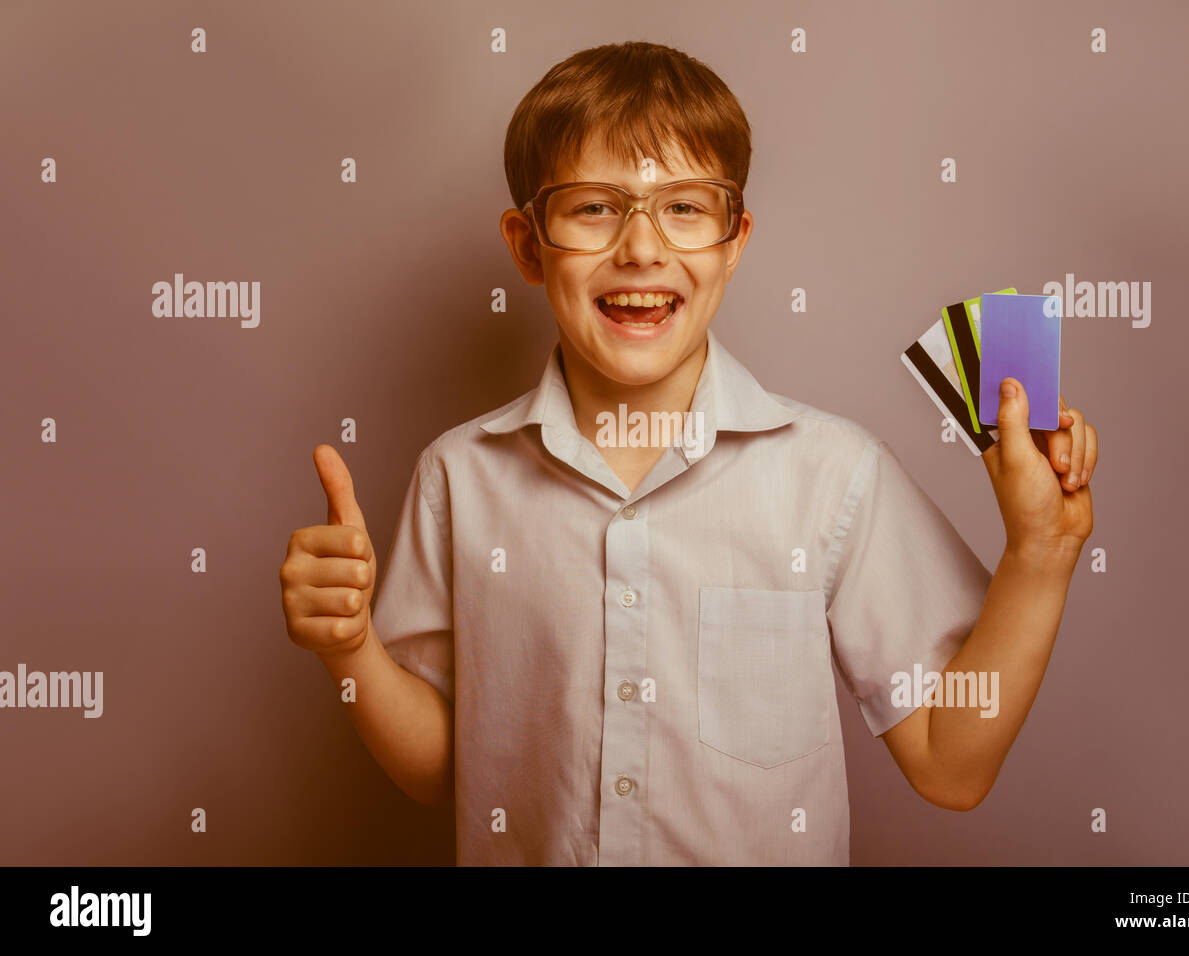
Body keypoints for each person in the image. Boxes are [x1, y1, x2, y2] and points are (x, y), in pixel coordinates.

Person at [278, 41, 1098, 865]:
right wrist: (351, 652)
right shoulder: (456, 478)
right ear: (528, 246)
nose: (641, 248)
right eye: (594, 207)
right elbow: (445, 769)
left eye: (684, 208)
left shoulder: (833, 475)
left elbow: (952, 766)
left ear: (733, 241)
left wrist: (1043, 551)